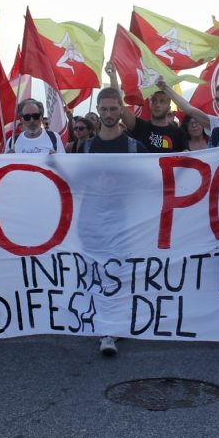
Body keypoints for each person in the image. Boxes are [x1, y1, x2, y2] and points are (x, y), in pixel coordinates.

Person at [83, 87, 147, 355]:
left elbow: (153, 182)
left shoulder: (135, 147)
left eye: (113, 108)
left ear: (121, 109)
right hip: (94, 222)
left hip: (126, 222)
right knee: (99, 274)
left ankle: (113, 327)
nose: (108, 114)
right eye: (104, 109)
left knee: (119, 274)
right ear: (98, 110)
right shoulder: (85, 147)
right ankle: (107, 326)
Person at [104, 65, 187, 152]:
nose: (157, 104)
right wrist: (113, 77)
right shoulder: (140, 127)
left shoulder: (178, 133)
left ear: (169, 107)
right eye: (154, 100)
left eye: (162, 101)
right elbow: (120, 106)